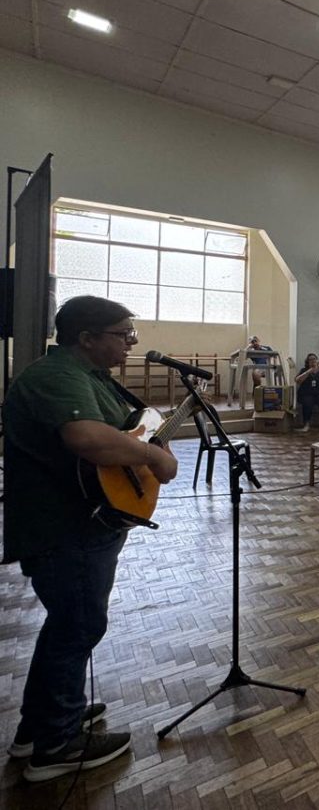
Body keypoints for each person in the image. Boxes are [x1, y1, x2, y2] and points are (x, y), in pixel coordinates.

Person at [3, 296, 178, 780]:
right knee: (77, 627)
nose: (131, 343)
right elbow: (88, 439)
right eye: (124, 334)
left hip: (86, 519)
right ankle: (56, 746)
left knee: (67, 626)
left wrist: (143, 443)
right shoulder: (58, 377)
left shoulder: (88, 376)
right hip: (65, 527)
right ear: (87, 337)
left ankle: (40, 727)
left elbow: (121, 427)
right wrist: (154, 458)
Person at [295, 353, 319, 433]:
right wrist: (308, 372)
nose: (313, 361)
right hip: (307, 394)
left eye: (314, 359)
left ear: (317, 361)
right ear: (307, 362)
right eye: (310, 359)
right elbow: (297, 381)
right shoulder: (304, 370)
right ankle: (306, 424)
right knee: (307, 402)